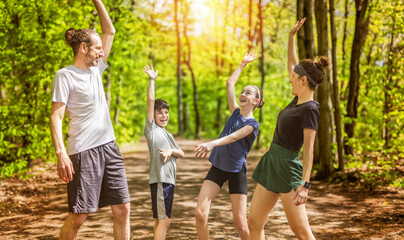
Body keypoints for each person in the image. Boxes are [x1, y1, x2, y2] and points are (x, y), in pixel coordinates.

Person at [49, 1, 130, 239]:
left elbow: (110, 31)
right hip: (83, 152)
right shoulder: (65, 76)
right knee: (80, 215)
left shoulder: (96, 69)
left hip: (110, 147)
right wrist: (61, 153)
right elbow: (56, 115)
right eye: (97, 48)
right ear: (83, 48)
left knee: (123, 208)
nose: (102, 52)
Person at [247, 18, 329, 240]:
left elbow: (309, 150)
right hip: (272, 161)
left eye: (294, 78)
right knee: (254, 222)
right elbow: (292, 64)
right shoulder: (296, 101)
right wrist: (291, 37)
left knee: (301, 231)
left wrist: (305, 185)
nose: (290, 80)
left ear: (303, 81)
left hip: (288, 169)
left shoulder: (310, 109)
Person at [193, 51, 265, 240]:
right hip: (218, 167)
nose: (242, 94)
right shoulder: (235, 112)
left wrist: (211, 143)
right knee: (200, 214)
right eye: (242, 91)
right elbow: (229, 83)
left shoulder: (252, 125)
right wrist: (242, 64)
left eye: (248, 93)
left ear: (255, 102)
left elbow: (233, 137)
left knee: (241, 225)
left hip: (236, 172)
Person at [142, 64, 185, 239]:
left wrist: (171, 150)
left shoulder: (168, 134)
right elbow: (150, 101)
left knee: (161, 220)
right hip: (160, 180)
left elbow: (181, 152)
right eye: (159, 113)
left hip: (169, 181)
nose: (163, 116)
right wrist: (152, 79)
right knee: (165, 220)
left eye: (166, 112)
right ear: (153, 115)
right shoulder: (152, 129)